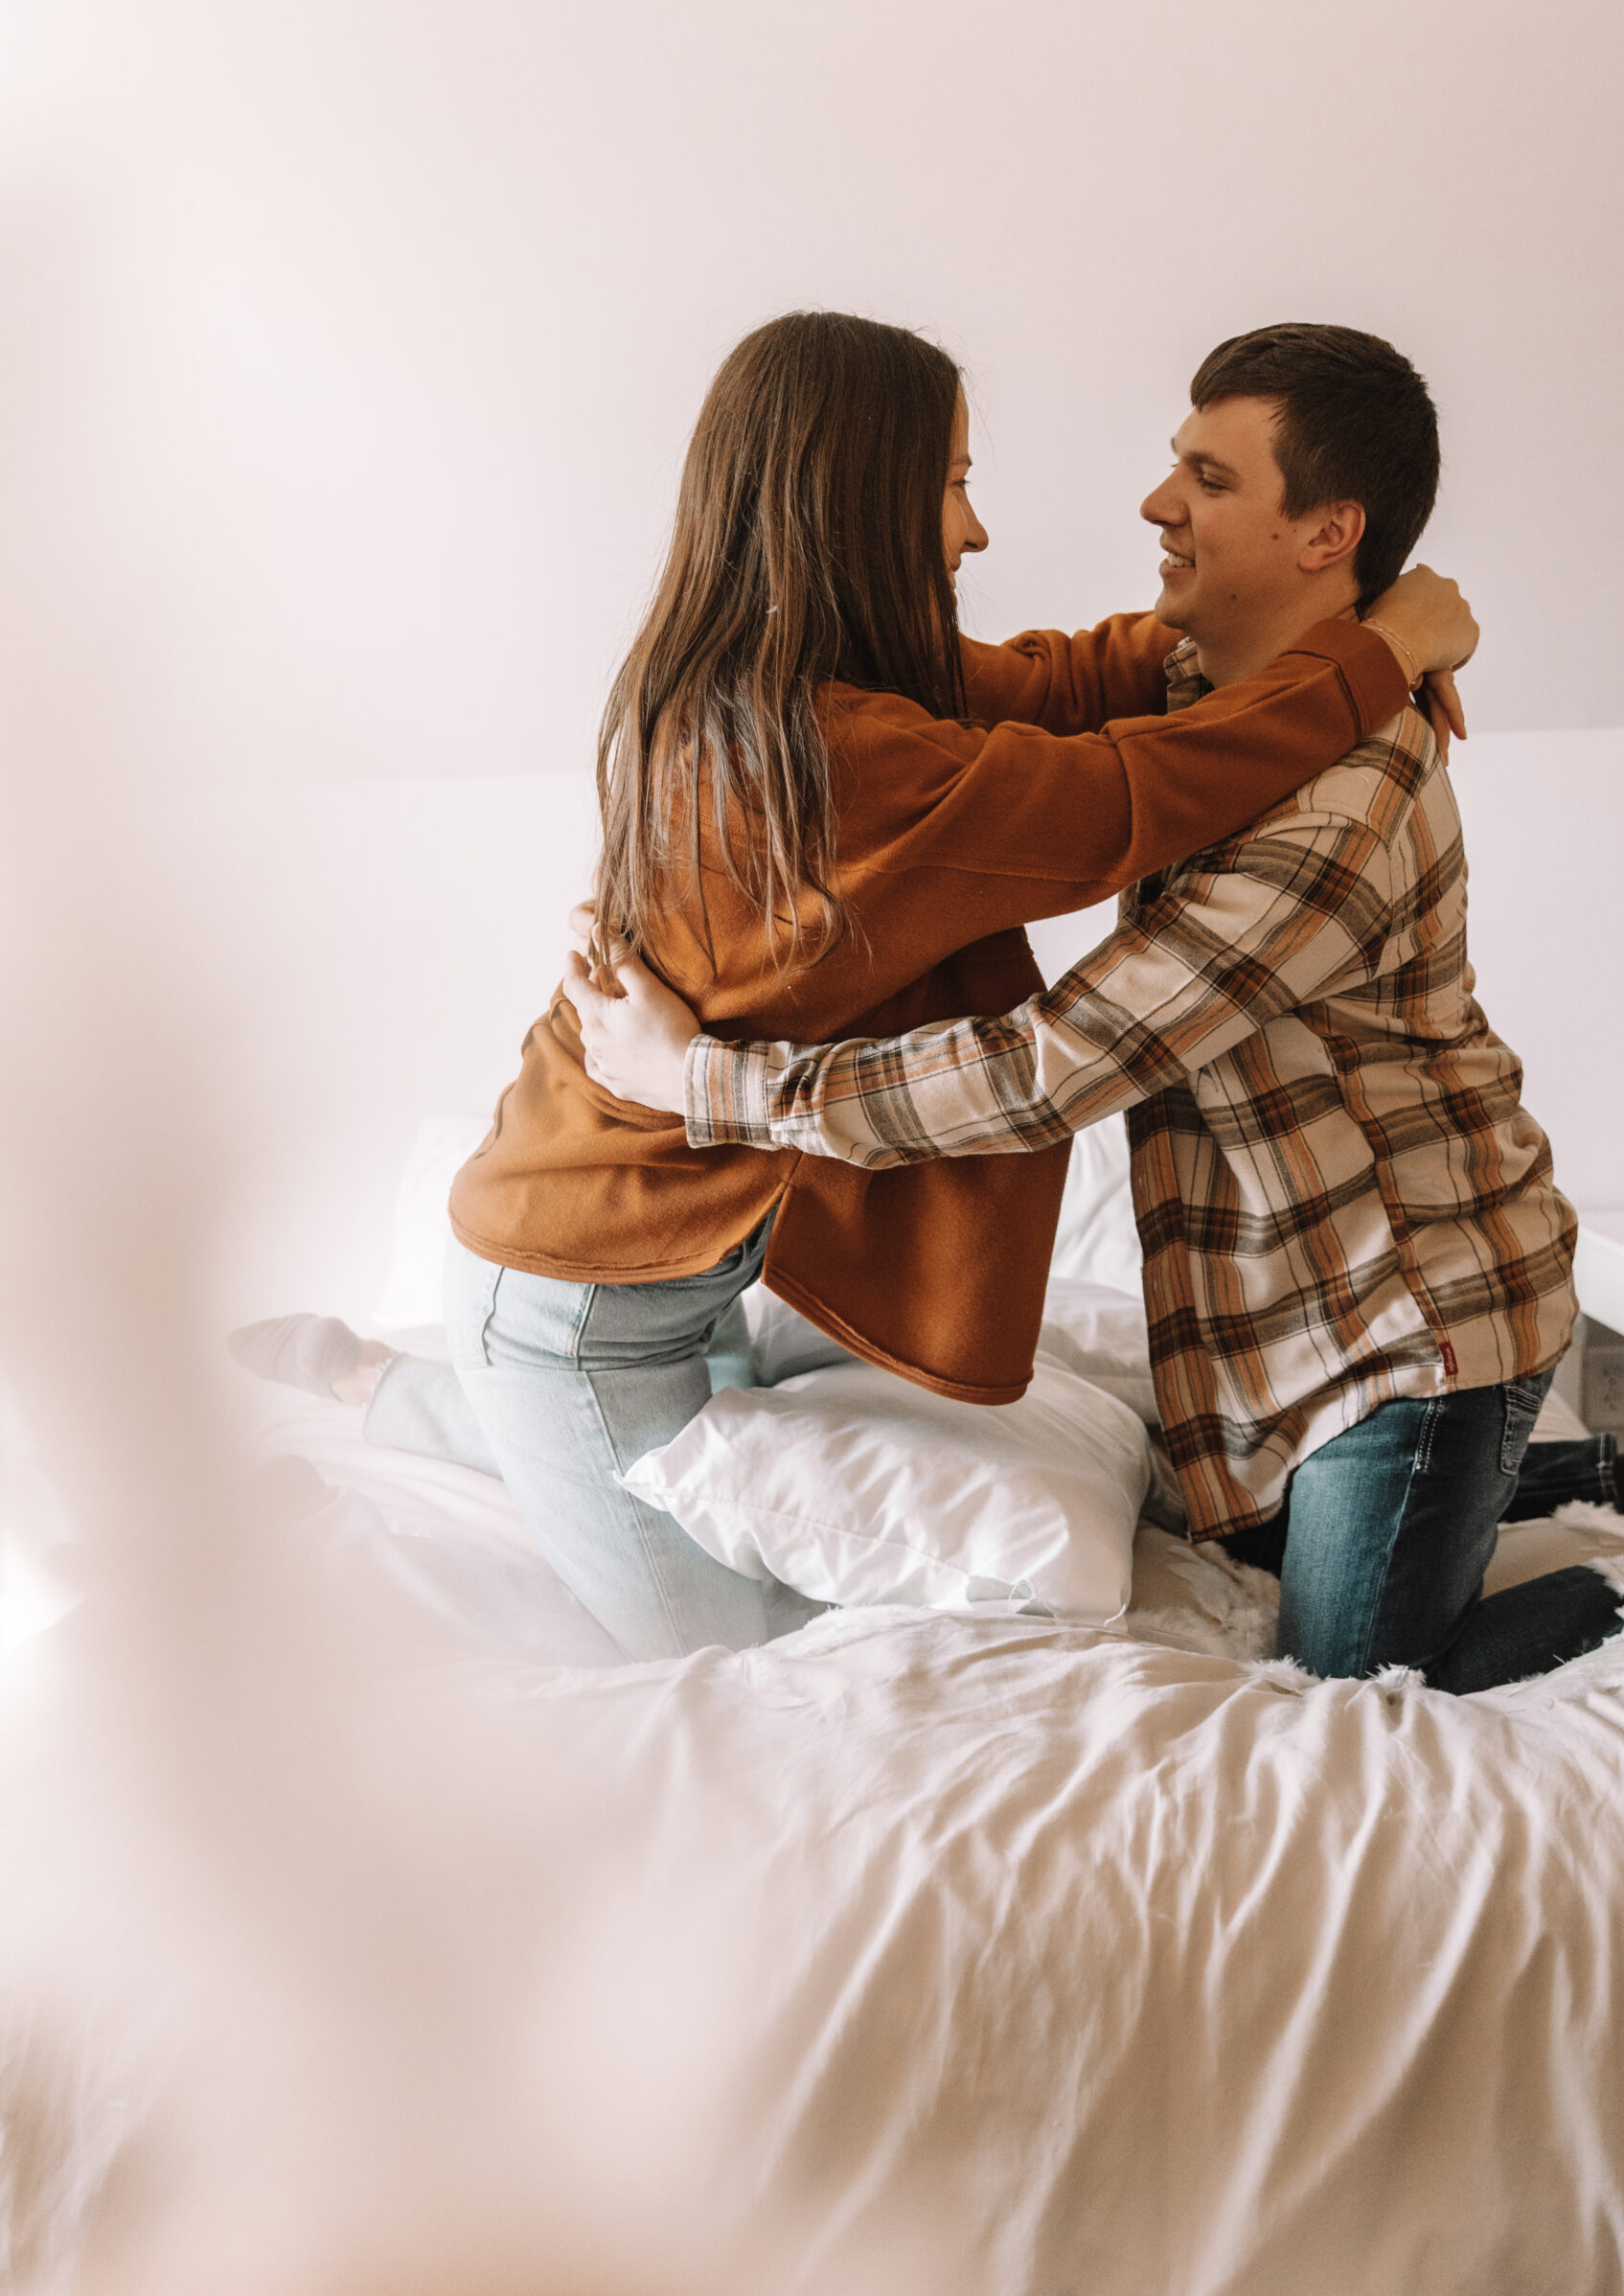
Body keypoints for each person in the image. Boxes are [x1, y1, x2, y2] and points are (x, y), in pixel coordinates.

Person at [235, 310, 1475, 1664]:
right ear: (861, 505)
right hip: (576, 1306)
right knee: (722, 1669)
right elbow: (1127, 796)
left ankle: (385, 1380)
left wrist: (1345, 648)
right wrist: (1367, 652)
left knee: (691, 1409)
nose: (976, 533)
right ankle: (401, 1389)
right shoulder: (836, 750)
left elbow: (1066, 684)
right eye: (951, 486)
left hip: (673, 1270)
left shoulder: (781, 674)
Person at [565, 322, 1624, 1691]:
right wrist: (1387, 634)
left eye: (1208, 475)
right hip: (1267, 1328)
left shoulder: (1344, 799)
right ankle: (1571, 1467)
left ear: (1327, 532)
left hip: (1409, 1331)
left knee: (1355, 1681)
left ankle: (1601, 1556)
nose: (1155, 503)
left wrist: (707, 1082)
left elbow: (1053, 1067)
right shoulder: (1206, 697)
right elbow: (1049, 688)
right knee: (1247, 1574)